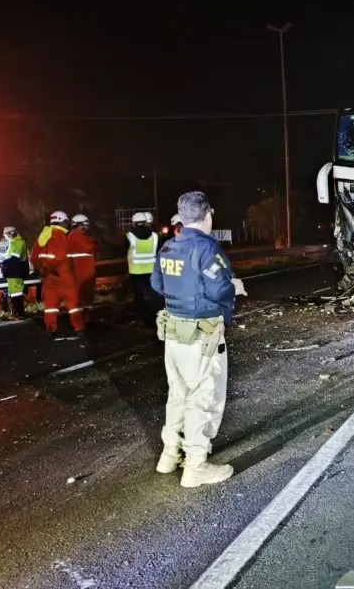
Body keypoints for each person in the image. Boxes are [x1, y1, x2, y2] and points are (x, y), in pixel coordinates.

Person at [151, 191, 246, 488]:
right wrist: (235, 287)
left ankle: (169, 455)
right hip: (200, 337)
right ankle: (196, 466)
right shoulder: (206, 247)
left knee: (178, 393)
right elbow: (219, 290)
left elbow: (157, 283)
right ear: (208, 215)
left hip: (173, 335)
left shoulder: (169, 246)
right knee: (203, 397)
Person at [30, 210, 85, 339]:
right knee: (73, 304)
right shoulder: (59, 235)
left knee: (50, 305)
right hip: (62, 274)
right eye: (67, 222)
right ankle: (78, 327)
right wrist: (49, 267)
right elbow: (59, 256)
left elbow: (33, 257)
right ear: (62, 221)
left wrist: (42, 269)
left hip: (48, 278)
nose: (68, 225)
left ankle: (51, 328)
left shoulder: (43, 235)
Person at [127, 211, 159, 325]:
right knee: (152, 295)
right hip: (151, 270)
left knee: (138, 295)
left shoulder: (129, 235)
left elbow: (123, 249)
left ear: (134, 223)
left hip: (136, 271)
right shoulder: (155, 235)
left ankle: (140, 317)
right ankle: (155, 317)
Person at [67, 214, 98, 322]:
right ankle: (83, 318)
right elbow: (92, 246)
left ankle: (82, 318)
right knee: (84, 296)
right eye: (85, 225)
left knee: (81, 297)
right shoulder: (77, 237)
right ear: (79, 225)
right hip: (82, 273)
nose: (86, 227)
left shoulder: (71, 237)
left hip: (81, 272)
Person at [0, 226, 29, 317]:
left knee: (17, 293)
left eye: (5, 235)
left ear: (10, 233)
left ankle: (20, 313)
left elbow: (14, 258)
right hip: (12, 272)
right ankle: (16, 312)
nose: (5, 237)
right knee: (13, 293)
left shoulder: (18, 242)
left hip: (16, 272)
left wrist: (3, 261)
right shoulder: (12, 243)